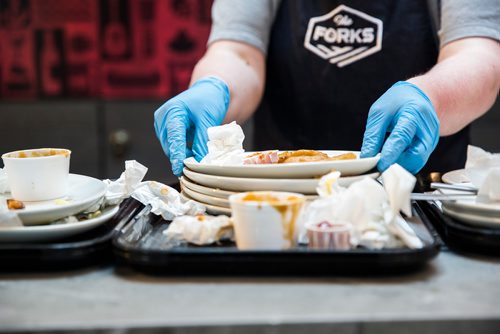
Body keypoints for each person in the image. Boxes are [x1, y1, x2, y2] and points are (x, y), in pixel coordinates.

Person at [154, 0, 500, 177]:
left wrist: (431, 97)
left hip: (417, 193)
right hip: (280, 192)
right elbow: (238, 52)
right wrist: (214, 88)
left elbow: (479, 54)